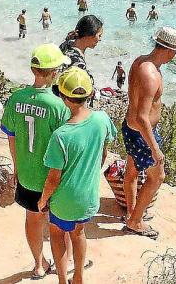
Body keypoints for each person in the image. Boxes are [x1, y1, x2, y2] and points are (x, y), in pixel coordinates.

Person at [39, 68, 117, 284]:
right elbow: (103, 152)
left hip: (64, 200)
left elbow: (53, 179)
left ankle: (62, 280)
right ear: (90, 94)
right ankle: (79, 277)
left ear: (63, 97)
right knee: (79, 233)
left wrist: (43, 200)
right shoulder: (102, 119)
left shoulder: (61, 135)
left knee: (56, 233)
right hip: (88, 197)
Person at [0, 45, 71, 279]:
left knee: (32, 218)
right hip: (52, 175)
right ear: (54, 73)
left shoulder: (16, 98)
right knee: (59, 225)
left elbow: (11, 136)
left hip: (27, 173)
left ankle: (39, 264)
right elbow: (66, 144)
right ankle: (65, 264)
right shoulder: (58, 106)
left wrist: (17, 167)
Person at [122, 27, 176, 239]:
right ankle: (136, 221)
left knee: (132, 171)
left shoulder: (140, 62)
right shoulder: (151, 74)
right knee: (157, 177)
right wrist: (155, 148)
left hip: (130, 127)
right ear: (170, 50)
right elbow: (142, 117)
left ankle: (131, 213)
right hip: (142, 133)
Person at [59, 15, 103, 95]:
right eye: (99, 35)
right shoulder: (77, 62)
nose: (100, 39)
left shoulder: (68, 43)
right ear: (89, 35)